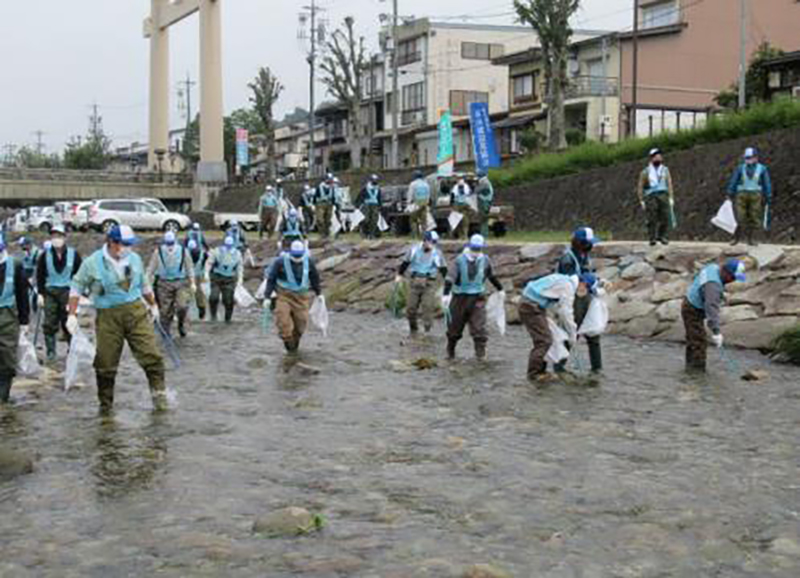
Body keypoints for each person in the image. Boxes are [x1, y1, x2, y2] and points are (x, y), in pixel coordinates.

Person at [67, 225, 165, 414]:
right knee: (105, 365)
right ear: (112, 243)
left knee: (152, 358)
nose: (129, 248)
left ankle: (159, 400)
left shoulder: (134, 259)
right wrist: (72, 315)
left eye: (130, 244)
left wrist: (153, 305)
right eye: (126, 244)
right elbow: (76, 288)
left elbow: (144, 285)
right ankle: (106, 407)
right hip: (107, 316)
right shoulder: (93, 263)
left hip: (136, 313)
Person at [518, 273, 589, 382]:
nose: (585, 292)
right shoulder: (568, 287)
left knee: (546, 339)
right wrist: (573, 334)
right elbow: (566, 313)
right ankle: (534, 374)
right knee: (544, 341)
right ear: (582, 283)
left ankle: (541, 371)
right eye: (586, 287)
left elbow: (558, 308)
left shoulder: (564, 279)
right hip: (530, 306)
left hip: (531, 303)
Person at [444, 234, 503, 360]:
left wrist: (500, 289)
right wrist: (445, 294)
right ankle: (450, 351)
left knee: (479, 328)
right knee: (454, 328)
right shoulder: (459, 260)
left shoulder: (485, 260)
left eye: (478, 249)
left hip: (478, 298)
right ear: (469, 246)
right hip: (460, 298)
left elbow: (491, 276)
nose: (476, 252)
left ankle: (480, 356)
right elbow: (450, 279)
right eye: (474, 249)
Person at [682, 259, 746, 372]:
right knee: (698, 342)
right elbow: (711, 309)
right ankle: (696, 374)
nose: (734, 280)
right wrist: (716, 332)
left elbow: (700, 277)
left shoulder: (712, 267)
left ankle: (689, 369)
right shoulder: (713, 286)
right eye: (733, 277)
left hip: (690, 299)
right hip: (692, 308)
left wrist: (718, 295)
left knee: (693, 340)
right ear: (726, 272)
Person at [555, 227, 603, 372]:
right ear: (579, 243)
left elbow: (586, 274)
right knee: (571, 333)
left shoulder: (584, 255)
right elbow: (572, 283)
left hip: (585, 297)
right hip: (572, 300)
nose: (591, 246)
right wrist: (588, 281)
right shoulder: (568, 259)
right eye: (588, 243)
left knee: (593, 333)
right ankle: (558, 367)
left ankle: (597, 370)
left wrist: (597, 281)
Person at [262, 240, 322, 352]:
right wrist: (267, 297)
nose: (297, 258)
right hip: (284, 295)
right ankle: (288, 346)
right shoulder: (280, 262)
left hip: (302, 297)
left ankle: (294, 348)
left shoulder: (309, 262)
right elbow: (271, 279)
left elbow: (315, 278)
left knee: (301, 324)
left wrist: (319, 294)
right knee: (283, 321)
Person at [36, 224, 82, 362]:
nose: (56, 239)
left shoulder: (74, 255)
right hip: (50, 292)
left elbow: (80, 275)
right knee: (49, 322)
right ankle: (51, 352)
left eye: (59, 236)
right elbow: (40, 275)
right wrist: (40, 294)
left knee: (68, 322)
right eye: (54, 236)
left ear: (64, 237)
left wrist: (80, 293)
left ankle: (71, 349)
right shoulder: (45, 255)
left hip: (68, 292)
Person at [396, 230, 447, 334]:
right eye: (431, 242)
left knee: (427, 307)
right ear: (425, 241)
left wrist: (447, 282)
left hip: (429, 283)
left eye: (434, 243)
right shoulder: (414, 250)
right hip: (414, 281)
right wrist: (399, 275)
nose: (433, 245)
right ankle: (413, 330)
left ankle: (427, 332)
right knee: (410, 309)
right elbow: (405, 263)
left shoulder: (437, 253)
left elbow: (443, 269)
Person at [0, 235, 31, 403]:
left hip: (8, 318)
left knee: (7, 358)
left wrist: (24, 321)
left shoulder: (15, 265)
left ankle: (3, 397)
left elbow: (22, 295)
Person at [147, 231, 196, 337]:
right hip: (163, 283)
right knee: (165, 310)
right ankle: (166, 330)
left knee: (182, 305)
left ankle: (181, 324)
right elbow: (151, 267)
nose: (170, 246)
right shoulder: (158, 251)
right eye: (168, 244)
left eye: (172, 243)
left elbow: (189, 267)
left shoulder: (183, 251)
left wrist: (192, 282)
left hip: (181, 282)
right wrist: (147, 283)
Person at [727, 147, 773, 246]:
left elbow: (767, 182)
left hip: (756, 195)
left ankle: (751, 239)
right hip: (741, 195)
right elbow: (734, 180)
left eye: (750, 158)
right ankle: (736, 238)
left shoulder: (762, 169)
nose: (748, 160)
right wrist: (730, 192)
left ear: (756, 158)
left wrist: (768, 194)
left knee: (754, 216)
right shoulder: (740, 168)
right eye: (746, 158)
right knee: (740, 216)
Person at [637, 148, 675, 246]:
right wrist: (641, 200)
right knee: (651, 217)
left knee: (665, 216)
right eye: (656, 156)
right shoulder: (645, 172)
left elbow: (669, 183)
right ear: (651, 158)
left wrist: (671, 197)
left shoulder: (665, 170)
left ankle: (662, 236)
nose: (658, 158)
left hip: (663, 194)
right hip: (651, 195)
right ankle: (652, 237)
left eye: (660, 156)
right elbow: (640, 186)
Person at [205, 235, 244, 323]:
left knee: (228, 300)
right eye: (227, 245)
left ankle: (228, 319)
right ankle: (213, 316)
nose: (228, 247)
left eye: (230, 246)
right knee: (213, 297)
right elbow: (209, 263)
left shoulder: (237, 254)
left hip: (230, 279)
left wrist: (240, 278)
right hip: (217, 277)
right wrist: (206, 273)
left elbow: (239, 267)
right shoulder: (217, 251)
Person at [186, 239, 208, 320]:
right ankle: (202, 309)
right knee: (198, 292)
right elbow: (206, 262)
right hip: (197, 274)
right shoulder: (203, 253)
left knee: (187, 292)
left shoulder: (185, 253)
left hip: (188, 275)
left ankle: (186, 311)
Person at [17, 237, 40, 311]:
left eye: (22, 245)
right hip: (25, 275)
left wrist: (33, 279)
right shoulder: (26, 253)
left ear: (28, 244)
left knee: (35, 293)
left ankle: (35, 307)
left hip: (34, 275)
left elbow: (38, 268)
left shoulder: (38, 253)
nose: (21, 247)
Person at [408, 170, 432, 239]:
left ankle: (415, 236)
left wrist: (409, 203)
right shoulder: (426, 184)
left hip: (416, 203)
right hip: (424, 203)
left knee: (413, 220)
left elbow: (410, 194)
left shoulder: (413, 184)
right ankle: (424, 236)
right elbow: (428, 195)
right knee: (424, 221)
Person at [358, 174, 383, 239]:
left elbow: (379, 198)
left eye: (376, 180)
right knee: (366, 219)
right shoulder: (365, 188)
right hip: (367, 205)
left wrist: (380, 206)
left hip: (375, 205)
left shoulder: (378, 189)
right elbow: (360, 197)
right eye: (374, 180)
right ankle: (364, 232)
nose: (375, 181)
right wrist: (358, 205)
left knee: (374, 220)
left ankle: (371, 234)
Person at [315, 174, 337, 239]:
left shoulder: (332, 187)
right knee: (320, 219)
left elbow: (333, 196)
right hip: (320, 204)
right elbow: (316, 196)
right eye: (329, 180)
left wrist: (334, 204)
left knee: (328, 220)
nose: (331, 181)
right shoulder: (320, 187)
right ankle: (322, 234)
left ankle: (327, 234)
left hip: (329, 204)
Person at [475, 171, 495, 238]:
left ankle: (484, 234)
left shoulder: (484, 182)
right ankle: (484, 234)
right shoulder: (487, 182)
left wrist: (474, 188)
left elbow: (477, 191)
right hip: (487, 202)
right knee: (484, 219)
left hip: (484, 202)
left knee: (483, 219)